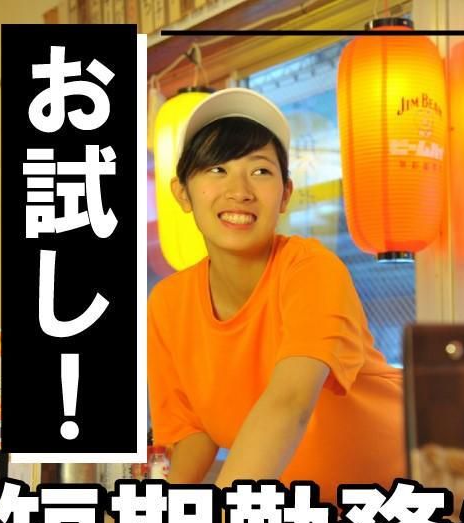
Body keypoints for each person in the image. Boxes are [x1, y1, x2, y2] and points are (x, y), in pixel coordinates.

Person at [147, 88, 406, 502]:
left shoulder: (311, 269)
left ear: (285, 194)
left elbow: (290, 402)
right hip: (299, 512)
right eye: (217, 169)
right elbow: (193, 432)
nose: (239, 190)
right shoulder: (167, 304)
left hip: (400, 496)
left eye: (260, 171)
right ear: (182, 192)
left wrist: (222, 516)